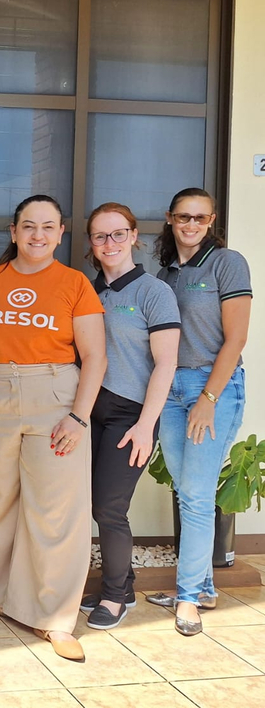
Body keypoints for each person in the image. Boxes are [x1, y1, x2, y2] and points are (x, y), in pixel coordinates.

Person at [0, 195, 106, 663]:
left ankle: (55, 617)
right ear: (14, 230)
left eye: (47, 227)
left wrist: (79, 416)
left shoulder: (75, 282)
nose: (37, 235)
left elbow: (96, 356)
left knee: (56, 510)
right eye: (29, 226)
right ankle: (2, 598)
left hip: (55, 396)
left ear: (61, 232)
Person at [146, 188, 251, 636]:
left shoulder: (227, 263)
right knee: (188, 491)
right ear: (170, 219)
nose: (191, 225)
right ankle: (202, 588)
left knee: (195, 494)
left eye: (200, 218)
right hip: (169, 391)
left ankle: (187, 598)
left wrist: (207, 399)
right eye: (183, 217)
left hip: (213, 387)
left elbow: (236, 338)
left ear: (212, 221)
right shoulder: (166, 274)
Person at [80, 203, 179, 630]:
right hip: (92, 410)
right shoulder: (88, 290)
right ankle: (123, 583)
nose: (110, 243)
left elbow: (166, 364)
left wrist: (145, 426)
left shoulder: (154, 293)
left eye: (118, 234)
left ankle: (116, 596)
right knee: (92, 501)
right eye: (100, 236)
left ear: (134, 236)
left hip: (130, 415)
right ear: (91, 243)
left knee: (109, 507)